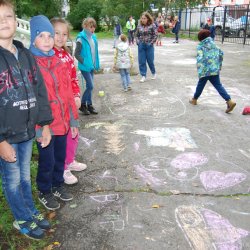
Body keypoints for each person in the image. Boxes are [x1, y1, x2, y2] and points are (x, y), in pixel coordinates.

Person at [0, 0, 53, 240]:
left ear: (15, 19)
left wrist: (45, 124)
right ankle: (21, 218)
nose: (4, 21)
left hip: (28, 131)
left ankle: (30, 211)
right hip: (7, 136)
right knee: (12, 181)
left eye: (8, 16)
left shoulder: (25, 54)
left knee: (24, 176)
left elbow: (40, 90)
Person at [29, 15, 79, 210]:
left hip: (63, 123)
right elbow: (34, 100)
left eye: (50, 35)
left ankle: (57, 185)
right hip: (46, 126)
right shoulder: (31, 65)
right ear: (33, 39)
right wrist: (39, 128)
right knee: (47, 161)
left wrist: (73, 120)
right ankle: (44, 190)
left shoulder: (58, 62)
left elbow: (67, 94)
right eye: (42, 35)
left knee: (59, 158)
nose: (48, 40)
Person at [50, 17, 87, 185]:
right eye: (56, 33)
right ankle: (63, 167)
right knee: (62, 136)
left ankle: (70, 160)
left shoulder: (66, 54)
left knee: (74, 133)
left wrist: (77, 95)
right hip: (58, 107)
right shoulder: (48, 55)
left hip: (71, 103)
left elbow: (73, 78)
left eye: (64, 34)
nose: (60, 37)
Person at [189, 29, 236, 113]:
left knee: (200, 85)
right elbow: (221, 54)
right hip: (214, 69)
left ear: (201, 38)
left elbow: (199, 58)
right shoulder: (214, 45)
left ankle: (194, 99)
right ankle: (229, 101)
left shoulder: (200, 46)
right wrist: (219, 66)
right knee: (218, 86)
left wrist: (200, 70)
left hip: (205, 70)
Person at [75, 17, 100, 115]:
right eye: (91, 27)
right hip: (85, 67)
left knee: (90, 86)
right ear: (85, 26)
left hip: (91, 67)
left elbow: (95, 53)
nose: (93, 29)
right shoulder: (81, 38)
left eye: (94, 27)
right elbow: (76, 54)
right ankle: (82, 105)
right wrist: (84, 62)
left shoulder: (94, 37)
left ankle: (89, 105)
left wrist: (95, 64)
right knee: (90, 86)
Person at [135, 11, 157, 83]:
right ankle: (143, 75)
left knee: (150, 61)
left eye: (144, 18)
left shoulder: (152, 25)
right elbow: (136, 35)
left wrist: (151, 43)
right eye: (142, 18)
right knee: (141, 61)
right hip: (141, 45)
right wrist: (138, 42)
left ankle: (153, 73)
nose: (143, 20)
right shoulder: (139, 26)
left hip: (149, 45)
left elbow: (155, 35)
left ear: (148, 19)